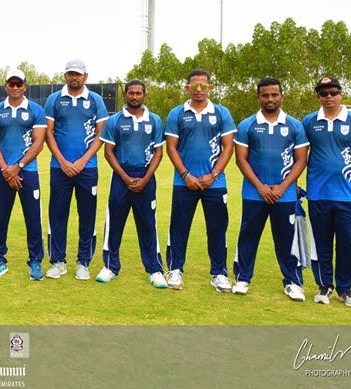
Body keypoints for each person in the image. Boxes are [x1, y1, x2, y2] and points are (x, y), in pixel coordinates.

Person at [302, 76, 351, 307]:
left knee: (347, 244)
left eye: (333, 92)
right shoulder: (309, 122)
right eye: (323, 93)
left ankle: (346, 289)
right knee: (321, 243)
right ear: (318, 96)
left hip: (347, 196)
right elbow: (300, 156)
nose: (329, 97)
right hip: (318, 194)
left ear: (340, 94)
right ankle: (324, 286)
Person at [231, 77, 309, 301]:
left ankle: (293, 282)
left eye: (274, 95)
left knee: (287, 239)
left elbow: (301, 160)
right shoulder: (247, 125)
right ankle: (243, 278)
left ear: (282, 96)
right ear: (258, 97)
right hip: (254, 193)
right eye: (265, 95)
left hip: (285, 195)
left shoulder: (295, 125)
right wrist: (260, 187)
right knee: (248, 236)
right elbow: (241, 160)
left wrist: (282, 187)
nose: (270, 99)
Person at [164, 68, 236, 291]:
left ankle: (219, 273)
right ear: (187, 88)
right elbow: (171, 147)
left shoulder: (222, 113)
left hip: (215, 183)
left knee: (217, 228)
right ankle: (175, 269)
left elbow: (228, 147)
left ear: (209, 88)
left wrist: (212, 175)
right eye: (194, 85)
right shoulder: (177, 113)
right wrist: (186, 174)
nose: (198, 89)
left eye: (203, 86)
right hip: (183, 182)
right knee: (179, 227)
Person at [95, 80, 168, 288]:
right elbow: (108, 152)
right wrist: (126, 178)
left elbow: (158, 153)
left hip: (146, 177)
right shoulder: (115, 120)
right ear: (125, 95)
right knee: (114, 223)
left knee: (148, 224)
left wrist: (145, 178)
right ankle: (110, 267)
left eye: (138, 93)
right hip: (121, 177)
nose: (134, 96)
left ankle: (154, 269)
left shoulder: (154, 120)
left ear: (145, 95)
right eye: (131, 93)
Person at [43, 59, 109, 280]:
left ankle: (83, 262)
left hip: (87, 168)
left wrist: (82, 161)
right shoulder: (54, 99)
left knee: (87, 215)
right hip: (59, 168)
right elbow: (48, 133)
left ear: (85, 76)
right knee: (58, 215)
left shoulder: (95, 100)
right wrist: (62, 161)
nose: (74, 77)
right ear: (65, 76)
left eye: (78, 74)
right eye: (71, 73)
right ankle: (58, 261)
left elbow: (101, 134)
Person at [0, 69, 47, 280]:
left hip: (27, 171)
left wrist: (18, 166)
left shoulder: (36, 110)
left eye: (19, 84)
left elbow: (39, 143)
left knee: (33, 218)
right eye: (11, 84)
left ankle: (35, 260)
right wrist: (6, 169)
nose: (15, 87)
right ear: (6, 86)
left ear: (25, 86)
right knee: (0, 217)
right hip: (3, 172)